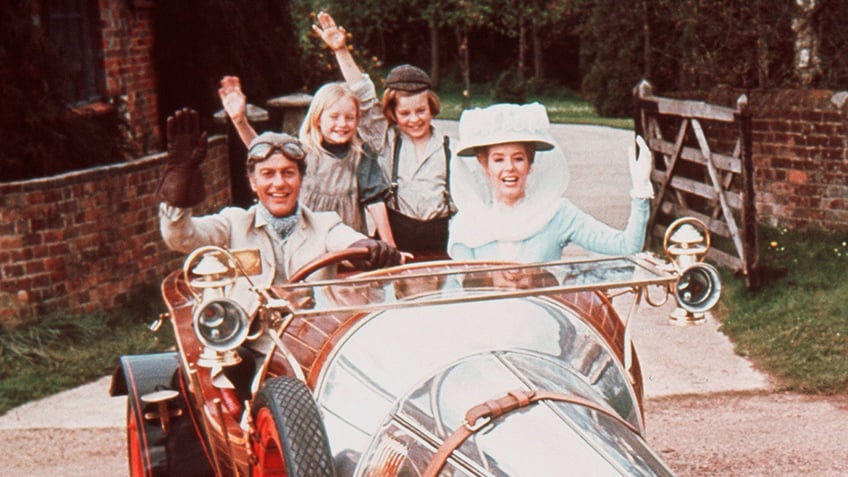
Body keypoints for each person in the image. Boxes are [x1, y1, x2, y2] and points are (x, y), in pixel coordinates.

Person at [156, 107, 401, 287]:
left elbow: (349, 243)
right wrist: (178, 187)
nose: (279, 183)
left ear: (301, 179)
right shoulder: (233, 223)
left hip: (311, 341)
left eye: (288, 173)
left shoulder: (325, 225)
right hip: (251, 343)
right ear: (253, 182)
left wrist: (371, 249)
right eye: (267, 174)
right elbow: (180, 237)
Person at [313, 12, 454, 256]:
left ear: (432, 108)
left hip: (441, 241)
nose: (414, 119)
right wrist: (341, 50)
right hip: (396, 238)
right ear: (393, 114)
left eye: (421, 111)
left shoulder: (450, 146)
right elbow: (364, 96)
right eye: (405, 113)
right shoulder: (387, 139)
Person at [448, 102, 653, 262]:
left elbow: (626, 246)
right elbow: (461, 291)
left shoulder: (557, 213)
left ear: (530, 164)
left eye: (518, 158)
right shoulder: (468, 223)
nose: (509, 167)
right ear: (485, 166)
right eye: (498, 159)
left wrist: (641, 190)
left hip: (543, 314)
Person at [217, 76, 397, 246]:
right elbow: (262, 150)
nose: (342, 124)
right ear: (318, 119)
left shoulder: (361, 154)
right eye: (334, 117)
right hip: (305, 242)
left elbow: (375, 201)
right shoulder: (302, 150)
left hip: (348, 243)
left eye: (350, 118)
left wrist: (390, 246)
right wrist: (239, 121)